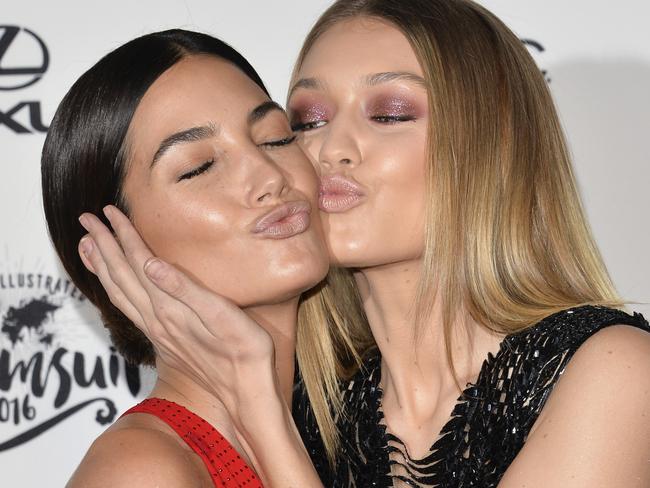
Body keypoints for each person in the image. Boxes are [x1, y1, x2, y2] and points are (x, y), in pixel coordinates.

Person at [77, 1, 650, 487]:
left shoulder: (613, 374)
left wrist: (264, 415)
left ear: (493, 147)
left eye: (390, 113)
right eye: (304, 122)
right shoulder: (306, 407)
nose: (330, 149)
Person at [41, 29, 330, 487]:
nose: (269, 175)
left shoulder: (356, 436)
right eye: (198, 167)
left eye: (275, 138)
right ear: (114, 249)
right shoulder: (140, 469)